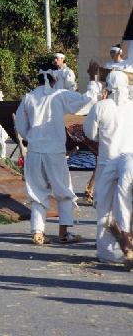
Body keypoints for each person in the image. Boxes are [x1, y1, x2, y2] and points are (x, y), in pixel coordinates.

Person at [15, 63, 100, 244]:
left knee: (37, 193)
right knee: (64, 191)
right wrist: (93, 79)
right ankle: (63, 233)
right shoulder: (60, 95)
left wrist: (30, 137)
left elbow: (20, 126)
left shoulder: (29, 97)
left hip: (35, 152)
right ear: (55, 79)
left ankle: (38, 232)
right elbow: (88, 99)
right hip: (55, 152)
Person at [83, 70, 133, 262]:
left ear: (108, 86)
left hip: (107, 161)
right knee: (125, 204)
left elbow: (89, 133)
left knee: (104, 208)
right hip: (130, 161)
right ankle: (126, 246)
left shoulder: (101, 106)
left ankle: (107, 253)